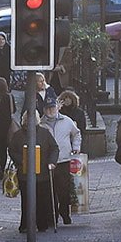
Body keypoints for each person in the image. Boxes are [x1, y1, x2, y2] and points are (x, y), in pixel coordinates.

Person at [9, 111, 59, 233]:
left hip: (43, 173)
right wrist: (22, 161)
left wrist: (52, 162)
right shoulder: (18, 135)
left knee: (42, 200)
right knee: (26, 200)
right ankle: (26, 224)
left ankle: (42, 223)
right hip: (25, 174)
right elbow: (12, 150)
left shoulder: (44, 133)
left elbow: (54, 148)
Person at [41, 96, 81, 225]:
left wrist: (76, 147)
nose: (50, 110)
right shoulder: (41, 124)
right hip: (48, 162)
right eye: (47, 108)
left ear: (57, 107)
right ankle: (53, 216)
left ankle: (65, 213)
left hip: (64, 160)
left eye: (52, 107)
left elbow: (76, 134)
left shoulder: (66, 121)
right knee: (50, 191)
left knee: (64, 191)